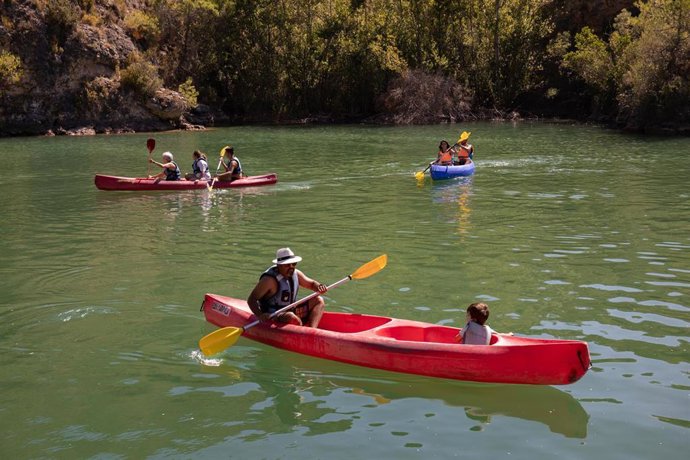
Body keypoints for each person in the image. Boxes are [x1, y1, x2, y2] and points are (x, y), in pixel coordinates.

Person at [247, 248, 327, 327]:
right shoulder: (269, 280)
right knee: (290, 316)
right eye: (287, 265)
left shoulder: (296, 274)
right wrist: (260, 315)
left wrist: (319, 286)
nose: (291, 267)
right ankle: (300, 330)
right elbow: (251, 300)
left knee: (319, 300)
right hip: (274, 315)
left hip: (291, 310)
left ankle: (311, 331)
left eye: (294, 264)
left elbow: (312, 284)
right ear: (279, 265)